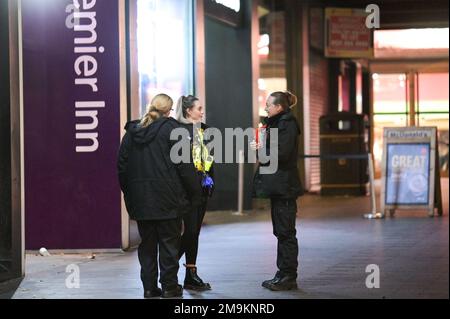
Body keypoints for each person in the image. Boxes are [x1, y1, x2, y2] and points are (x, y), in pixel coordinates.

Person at [117, 94, 202, 299]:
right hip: (169, 199)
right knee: (169, 244)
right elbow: (185, 166)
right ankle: (169, 287)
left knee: (147, 246)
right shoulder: (174, 130)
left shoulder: (132, 133)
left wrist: (130, 193)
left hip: (142, 200)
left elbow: (122, 167)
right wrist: (195, 193)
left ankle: (149, 288)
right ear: (169, 110)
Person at [252, 91, 304, 291]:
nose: (265, 108)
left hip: (284, 186)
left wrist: (260, 149)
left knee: (286, 232)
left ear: (279, 107)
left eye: (268, 105)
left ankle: (288, 275)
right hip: (278, 186)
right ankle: (282, 273)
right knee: (280, 231)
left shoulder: (287, 124)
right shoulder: (277, 124)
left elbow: (281, 153)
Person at [175, 95, 214, 291]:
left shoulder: (204, 130)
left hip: (203, 187)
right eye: (199, 108)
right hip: (188, 191)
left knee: (195, 232)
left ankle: (191, 273)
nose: (202, 111)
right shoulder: (179, 132)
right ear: (188, 111)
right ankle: (170, 263)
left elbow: (209, 158)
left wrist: (209, 180)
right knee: (190, 231)